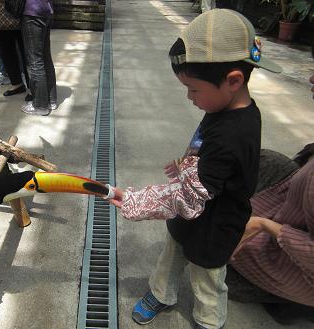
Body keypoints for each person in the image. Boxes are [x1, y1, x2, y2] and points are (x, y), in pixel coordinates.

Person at [108, 9, 282, 329]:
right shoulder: (226, 105)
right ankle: (162, 293)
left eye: (193, 89)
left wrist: (135, 200)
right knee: (170, 256)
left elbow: (189, 197)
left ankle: (208, 321)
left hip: (215, 225)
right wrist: (185, 165)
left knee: (208, 281)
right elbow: (207, 163)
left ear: (233, 80)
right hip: (198, 205)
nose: (189, 97)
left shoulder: (234, 135)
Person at [225, 144, 314, 323]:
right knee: (260, 160)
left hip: (300, 259)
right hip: (289, 207)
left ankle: (290, 303)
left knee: (218, 270)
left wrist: (264, 225)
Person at [20, 0, 57, 116]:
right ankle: (51, 100)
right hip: (46, 9)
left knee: (36, 61)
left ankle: (40, 106)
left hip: (33, 12)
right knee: (45, 58)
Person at [0, 0, 30, 97]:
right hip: (2, 14)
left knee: (27, 52)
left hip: (24, 12)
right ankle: (17, 83)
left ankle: (33, 87)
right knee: (6, 51)